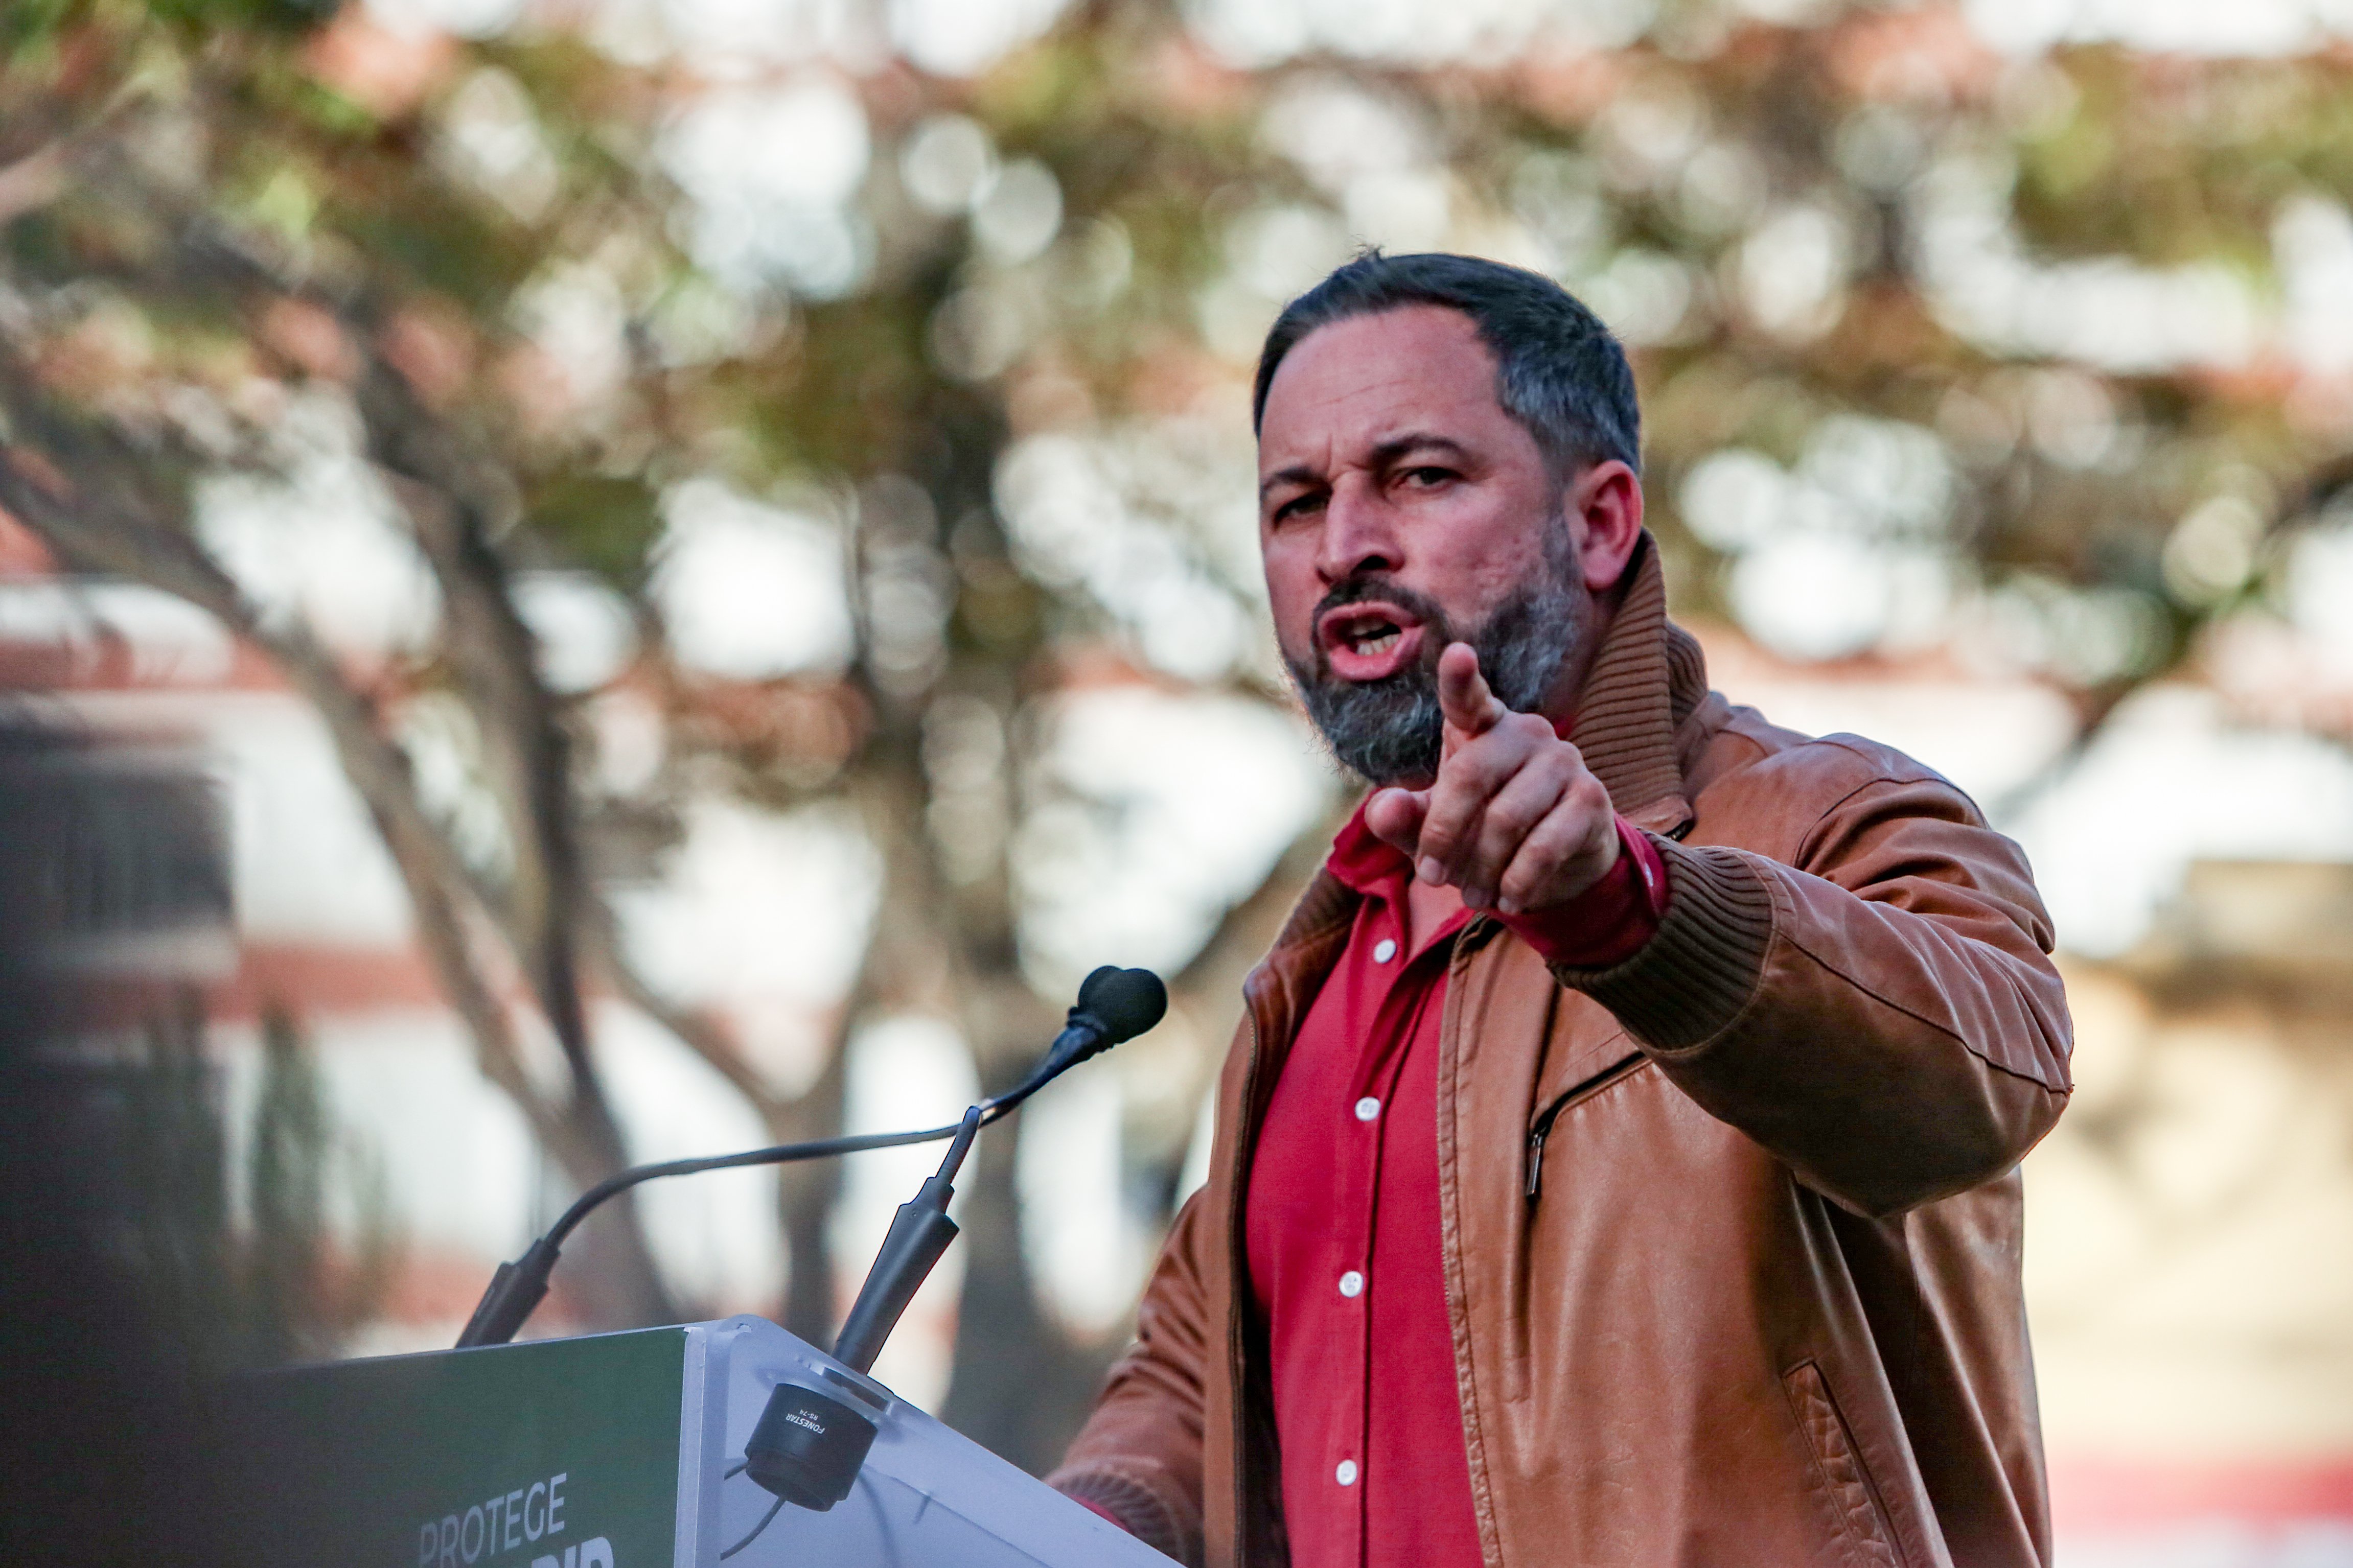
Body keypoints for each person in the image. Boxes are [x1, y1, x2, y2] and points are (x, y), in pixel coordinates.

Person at [1046, 252, 2072, 1568]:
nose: (1345, 541)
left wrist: (1628, 913)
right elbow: (1204, 1372)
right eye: (1295, 502)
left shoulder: (1831, 816)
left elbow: (1980, 1080)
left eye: (1418, 475)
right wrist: (1075, 1523)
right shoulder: (1317, 962)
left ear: (1598, 524)